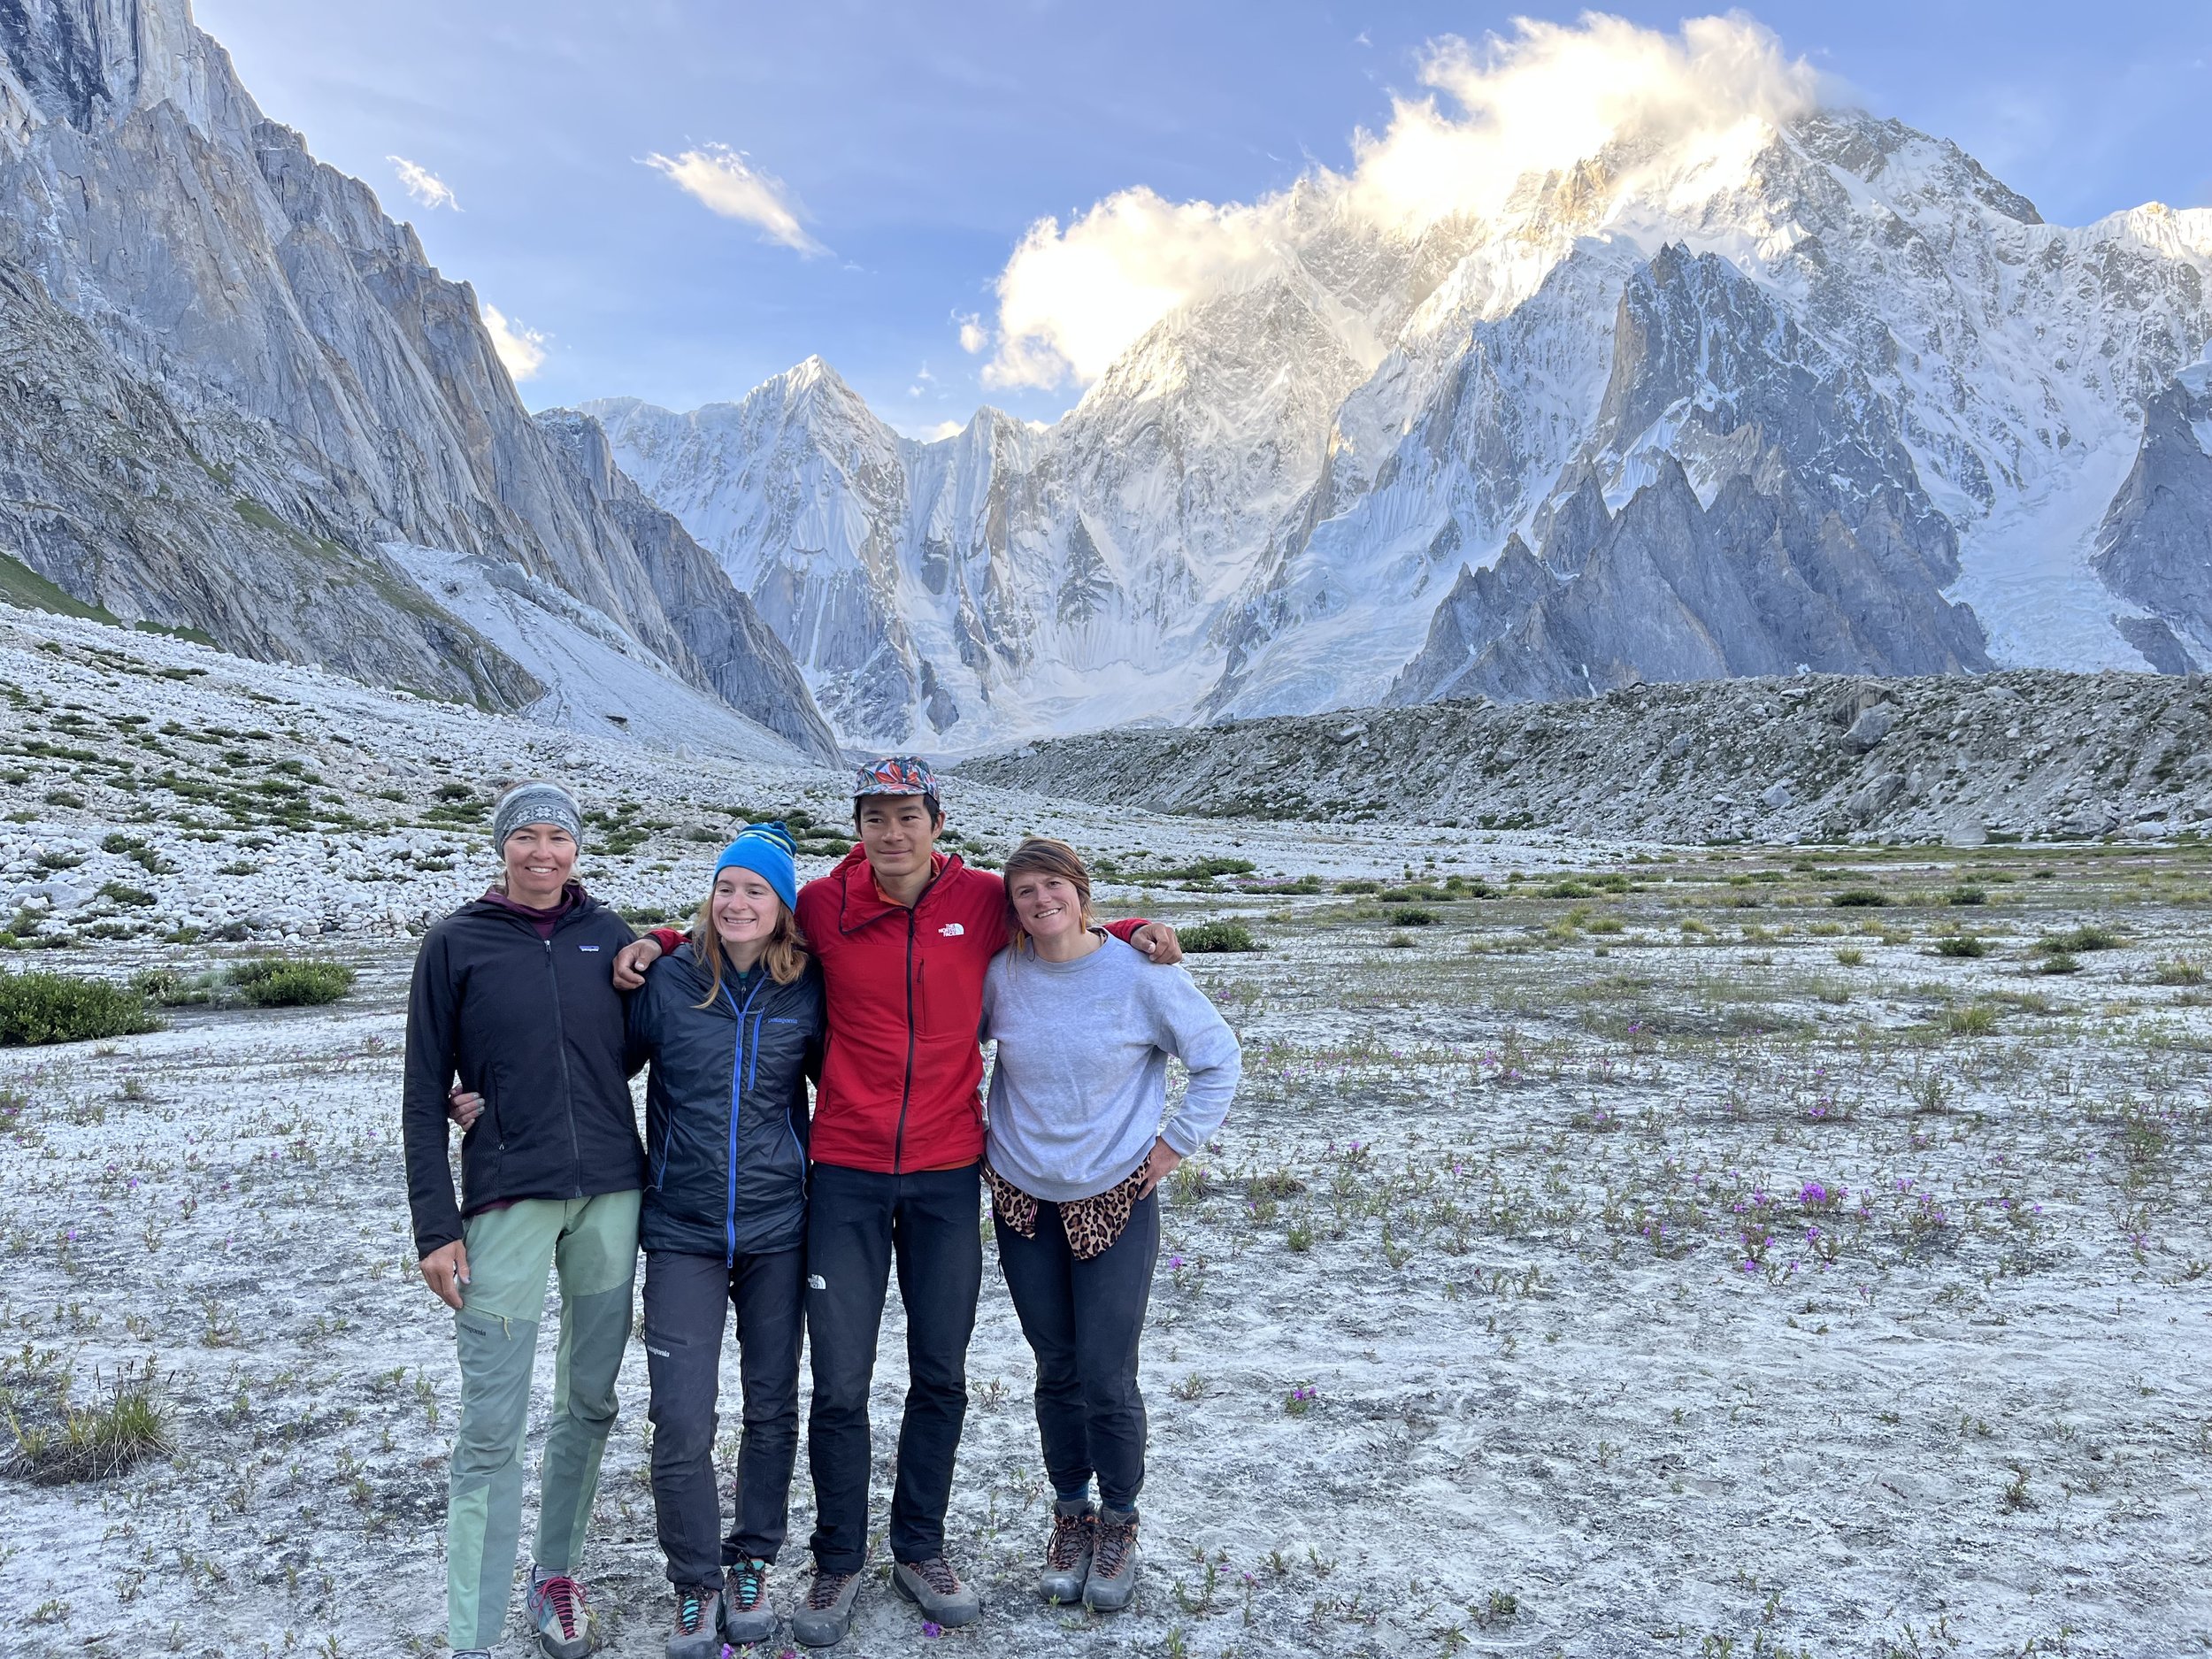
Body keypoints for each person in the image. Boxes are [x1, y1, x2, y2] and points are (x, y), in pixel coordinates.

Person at [616, 757, 1180, 1647]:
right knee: (838, 1383)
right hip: (841, 1172)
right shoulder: (827, 904)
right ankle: (837, 1557)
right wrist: (651, 938)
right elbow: (736, 920)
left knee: (941, 1374)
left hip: (949, 1172)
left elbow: (1056, 914)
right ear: (858, 827)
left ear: (937, 821)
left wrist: (1135, 926)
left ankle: (920, 1545)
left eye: (907, 815)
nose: (892, 833)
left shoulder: (986, 899)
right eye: (875, 818)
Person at [402, 782, 644, 1659]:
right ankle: (472, 1634)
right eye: (526, 838)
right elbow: (423, 1089)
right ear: (502, 847)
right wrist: (436, 1227)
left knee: (589, 1399)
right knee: (491, 1421)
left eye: (559, 838)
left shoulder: (607, 935)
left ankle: (557, 1577)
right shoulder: (456, 942)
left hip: (613, 1193)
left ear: (577, 849)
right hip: (506, 1199)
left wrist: (654, 948)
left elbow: (643, 1039)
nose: (543, 852)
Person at [981, 837, 1240, 1614]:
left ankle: (1119, 1521)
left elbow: (1218, 1057)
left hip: (1114, 1198)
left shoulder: (1142, 974)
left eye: (1053, 885)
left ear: (1080, 892)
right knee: (1054, 1364)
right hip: (1024, 1197)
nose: (1040, 901)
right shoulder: (1002, 974)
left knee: (1106, 1369)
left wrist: (1171, 1147)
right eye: (1024, 891)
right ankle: (1071, 1515)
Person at [626, 822, 821, 1656]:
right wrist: (482, 1096)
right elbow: (592, 1065)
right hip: (682, 1228)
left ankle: (753, 1560)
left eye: (757, 890)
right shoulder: (667, 979)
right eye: (727, 887)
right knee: (682, 1416)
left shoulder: (810, 988)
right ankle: (695, 1582)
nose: (738, 902)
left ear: (782, 909)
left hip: (781, 1226)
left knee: (773, 1405)